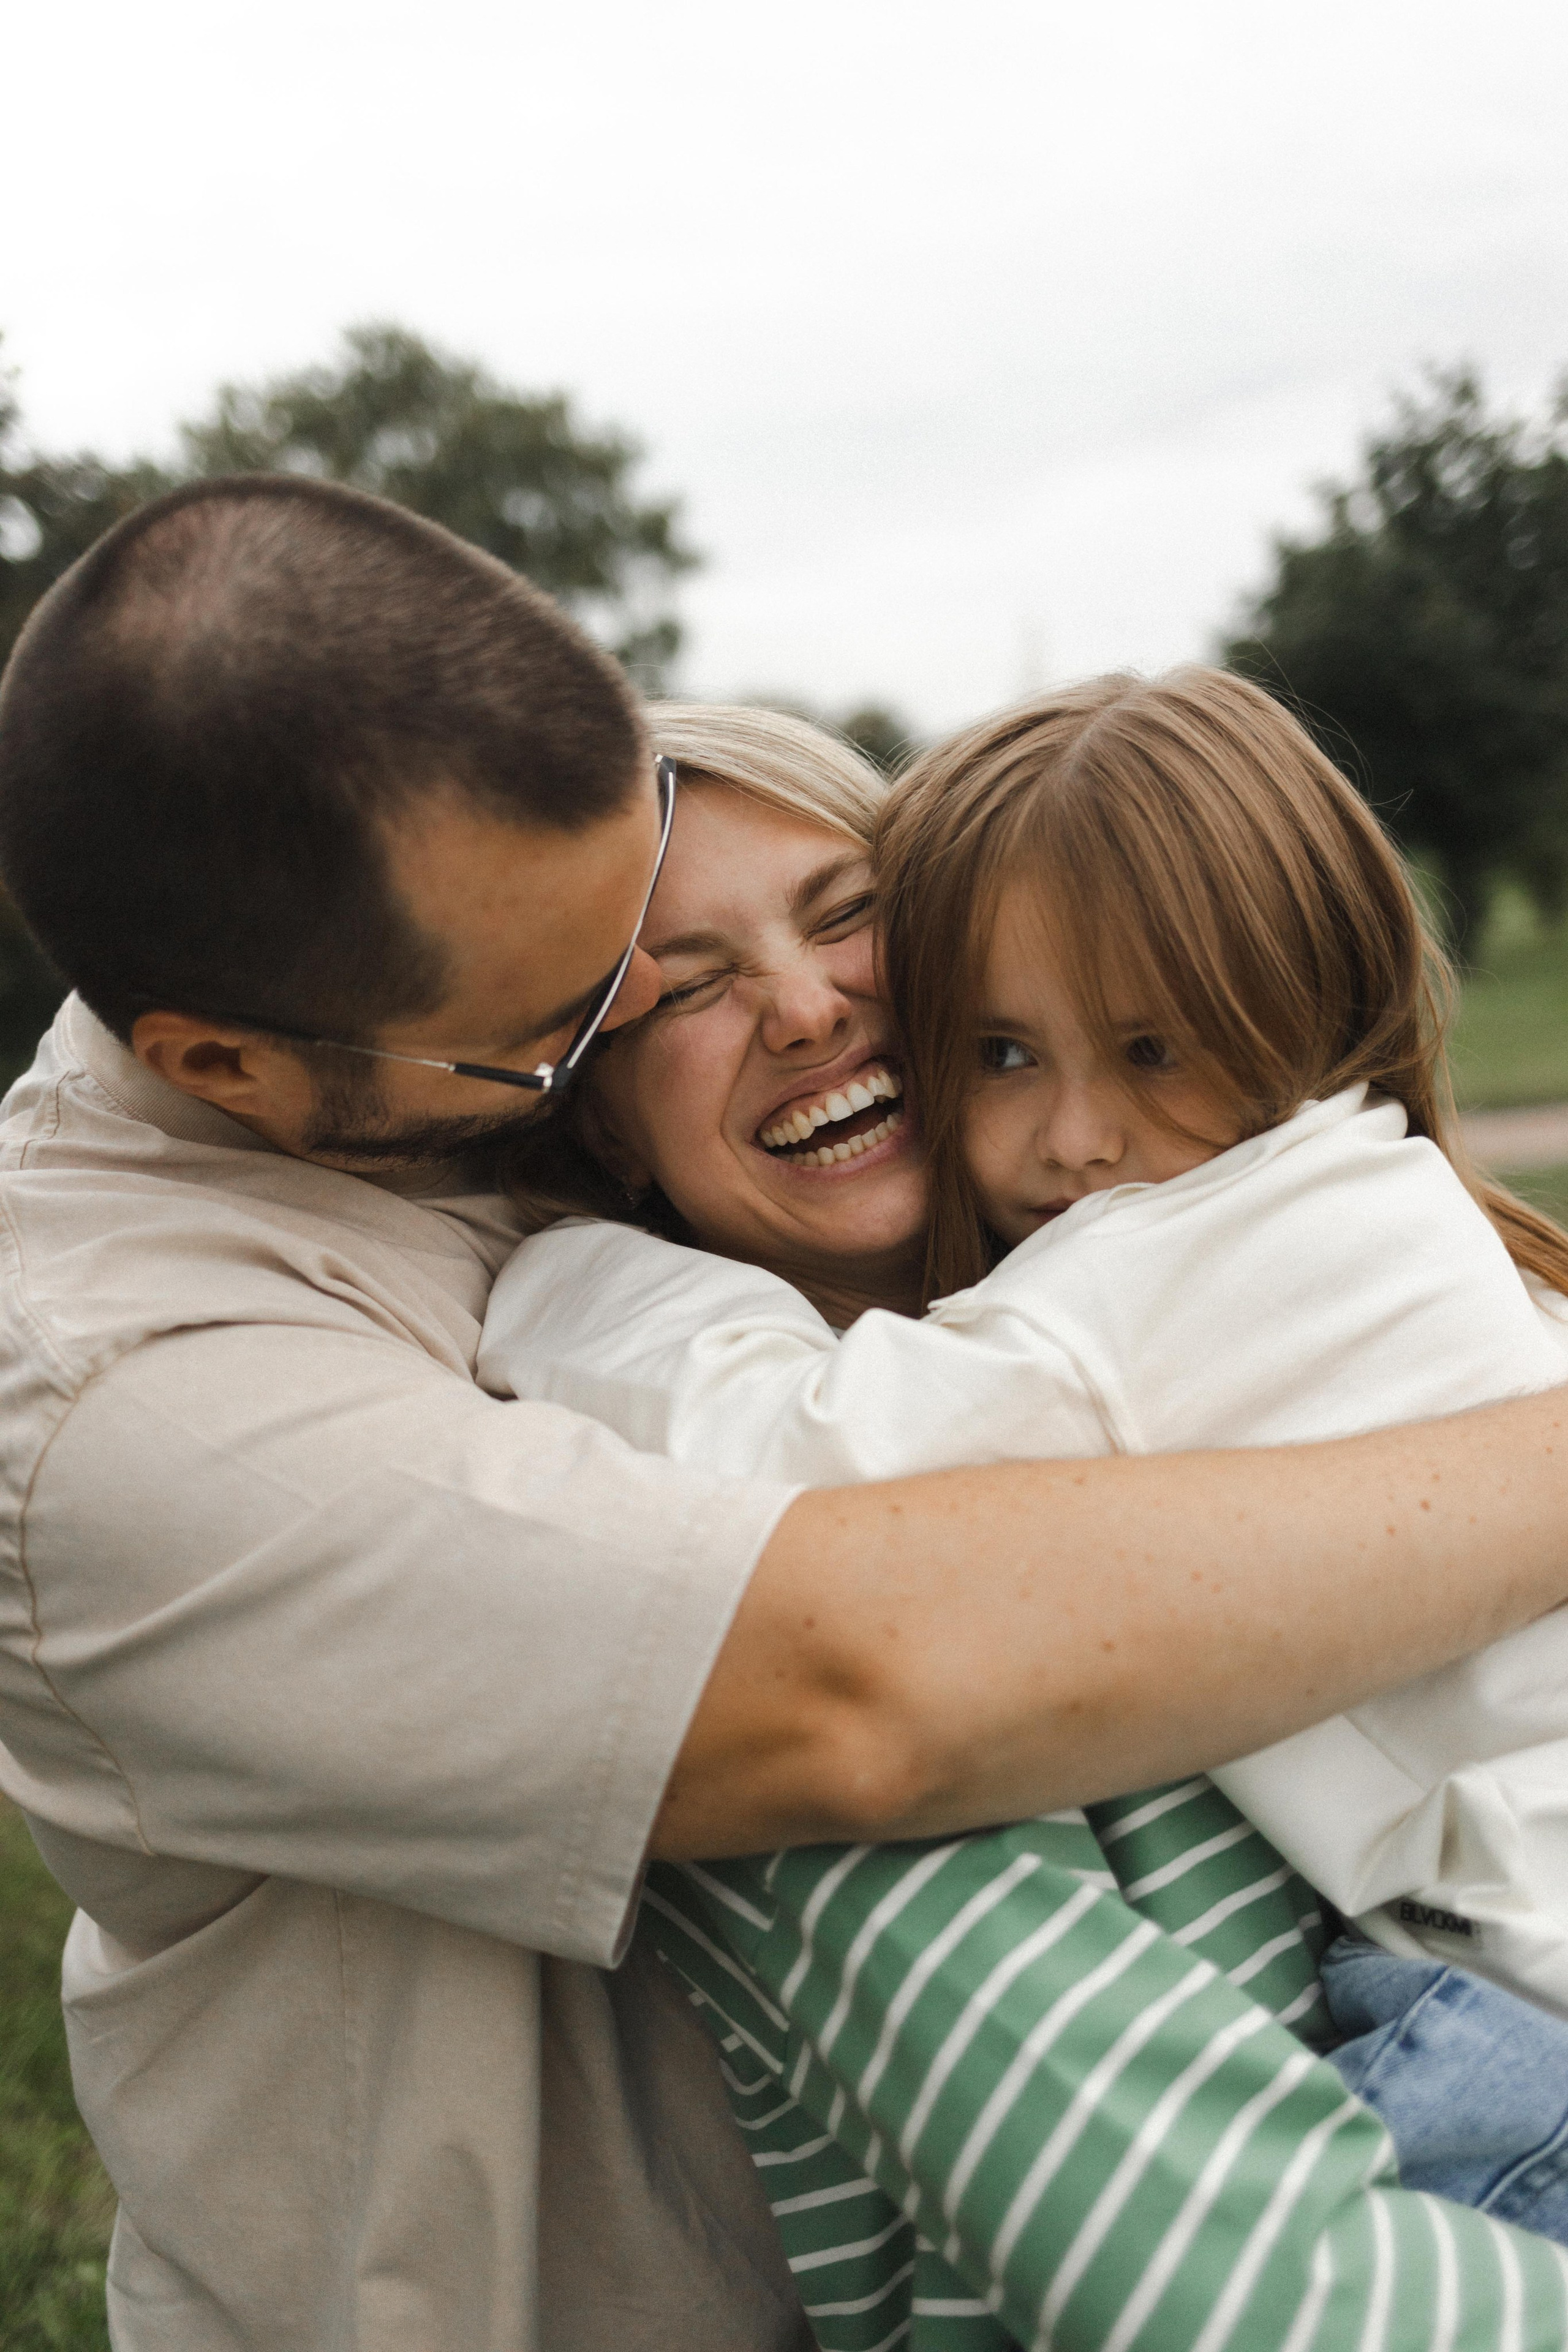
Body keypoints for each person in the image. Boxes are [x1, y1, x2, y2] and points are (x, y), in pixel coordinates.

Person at [1, 486, 1567, 2352]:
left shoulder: (1158, 1278)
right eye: (597, 1015)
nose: (818, 1012)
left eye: (856, 919)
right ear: (230, 1066)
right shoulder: (126, 1400)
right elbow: (852, 1680)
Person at [484, 687, 1568, 2339]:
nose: (1074, 1141)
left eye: (1152, 1049)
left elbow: (797, 1453)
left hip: (1506, 2014)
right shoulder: (1353, 1210)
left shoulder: (1160, 1270)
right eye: (1003, 1056)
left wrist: (558, 1282)